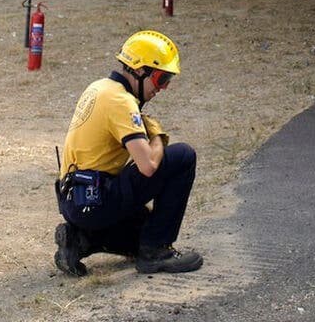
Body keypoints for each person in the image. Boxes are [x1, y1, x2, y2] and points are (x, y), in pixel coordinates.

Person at [53, 30, 203, 276]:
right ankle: (156, 252)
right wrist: (157, 137)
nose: (163, 88)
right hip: (95, 198)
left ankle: (80, 240)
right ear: (139, 70)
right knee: (183, 156)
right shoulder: (121, 101)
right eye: (161, 78)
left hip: (76, 201)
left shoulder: (99, 87)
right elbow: (147, 166)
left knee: (142, 233)